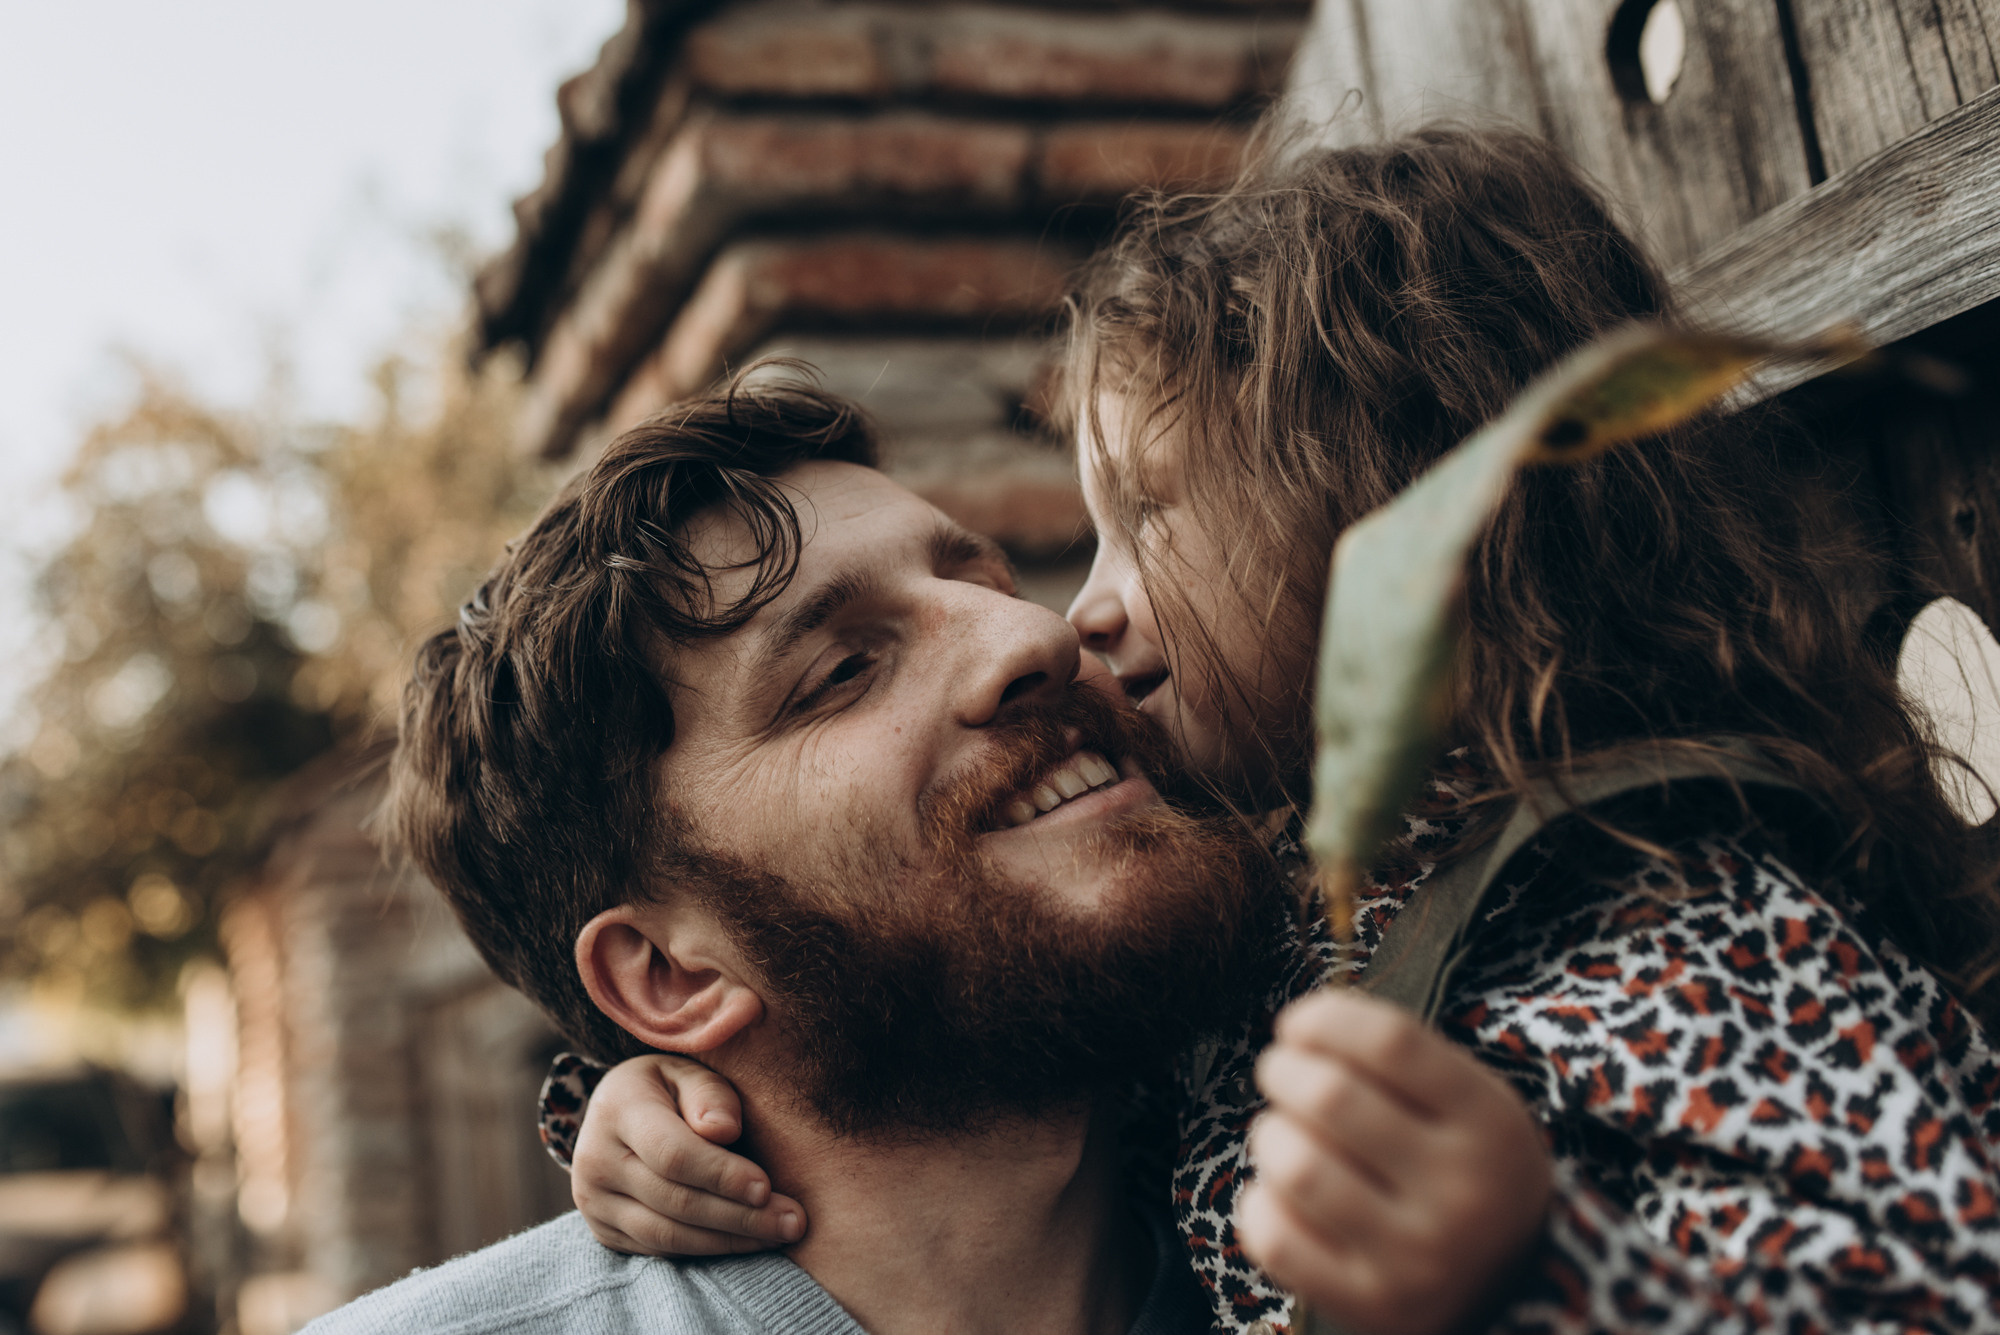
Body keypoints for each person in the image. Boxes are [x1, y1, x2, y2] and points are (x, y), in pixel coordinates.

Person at [544, 126, 2000, 1333]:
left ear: (1420, 520)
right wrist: (660, 1101)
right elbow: (970, 1067)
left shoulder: (1685, 924)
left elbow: (1937, 1292)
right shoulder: (1272, 912)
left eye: (1153, 515)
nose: (1079, 617)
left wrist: (1548, 1273)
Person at [307, 379, 1301, 1335]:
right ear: (670, 975)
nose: (1035, 632)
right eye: (844, 671)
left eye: (983, 581)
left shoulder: (1385, 1227)